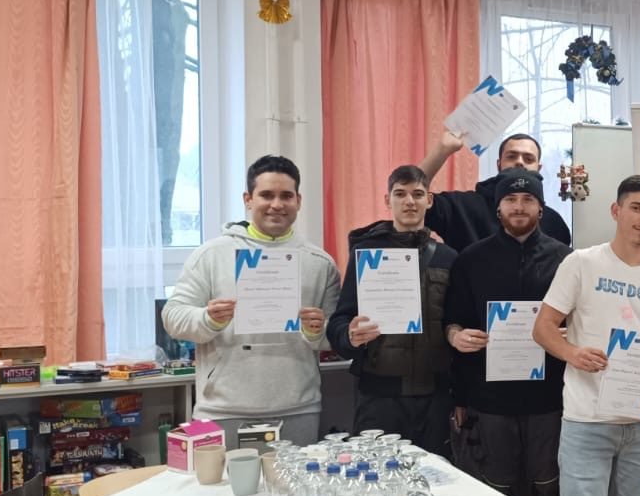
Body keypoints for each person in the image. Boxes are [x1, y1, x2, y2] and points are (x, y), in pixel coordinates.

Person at [533, 175, 640, 496]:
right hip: (587, 419)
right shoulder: (581, 263)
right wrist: (572, 353)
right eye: (636, 208)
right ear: (616, 211)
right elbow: (542, 328)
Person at [162, 155, 341, 446]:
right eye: (266, 195)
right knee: (220, 479)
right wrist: (208, 319)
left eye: (286, 196)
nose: (276, 204)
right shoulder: (211, 255)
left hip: (298, 408)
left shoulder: (320, 263)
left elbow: (335, 336)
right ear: (248, 199)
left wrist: (316, 331)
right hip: (222, 409)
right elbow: (173, 317)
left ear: (298, 201)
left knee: (294, 478)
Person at [441, 168, 572, 496]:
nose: (519, 207)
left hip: (549, 399)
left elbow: (582, 322)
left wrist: (570, 334)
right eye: (510, 200)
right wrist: (456, 336)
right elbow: (451, 321)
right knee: (496, 490)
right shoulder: (471, 259)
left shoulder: (566, 260)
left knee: (550, 486)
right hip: (490, 401)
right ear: (498, 208)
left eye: (528, 199)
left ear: (541, 208)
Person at [327, 165, 457, 455]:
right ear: (388, 200)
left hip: (434, 399)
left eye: (417, 194)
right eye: (400, 194)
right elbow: (339, 321)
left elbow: (455, 322)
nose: (409, 201)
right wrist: (349, 335)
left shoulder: (448, 258)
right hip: (378, 398)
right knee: (377, 474)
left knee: (436, 477)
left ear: (429, 200)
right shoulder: (366, 255)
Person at [419, 129, 572, 249]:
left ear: (538, 168)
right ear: (499, 164)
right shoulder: (462, 206)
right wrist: (442, 150)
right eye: (511, 156)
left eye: (528, 159)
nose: (519, 162)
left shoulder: (554, 222)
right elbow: (413, 201)